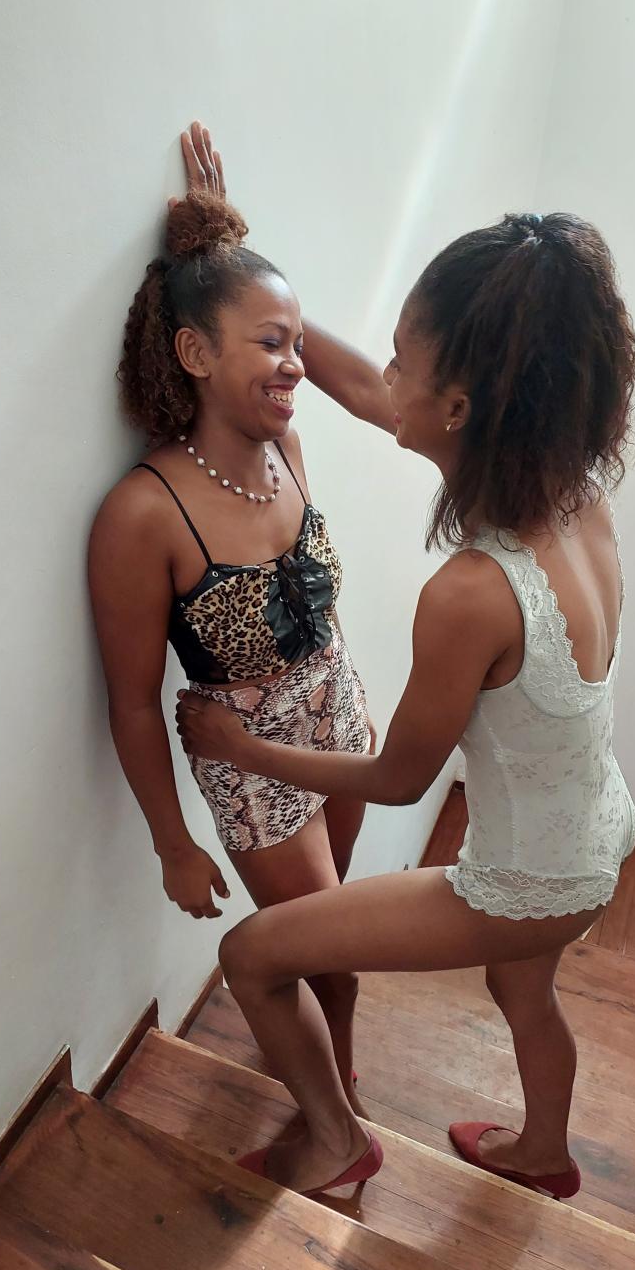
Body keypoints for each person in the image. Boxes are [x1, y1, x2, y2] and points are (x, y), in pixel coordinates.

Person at [176, 207, 635, 1198]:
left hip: (526, 880)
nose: (384, 377)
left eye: (403, 361)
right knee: (524, 988)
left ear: (461, 406)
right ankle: (544, 1154)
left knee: (251, 954)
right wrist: (237, 276)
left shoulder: (472, 594)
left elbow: (397, 780)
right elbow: (360, 392)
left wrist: (238, 745)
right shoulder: (579, 495)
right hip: (597, 836)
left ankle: (336, 1145)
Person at [88, 124, 376, 1116]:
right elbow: (133, 703)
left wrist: (228, 246)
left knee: (342, 929)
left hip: (341, 717)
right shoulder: (144, 513)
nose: (296, 365)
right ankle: (337, 1119)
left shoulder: (286, 444)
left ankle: (335, 1068)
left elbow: (349, 380)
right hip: (251, 766)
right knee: (331, 954)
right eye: (272, 343)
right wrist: (172, 841)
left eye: (297, 341)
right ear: (194, 351)